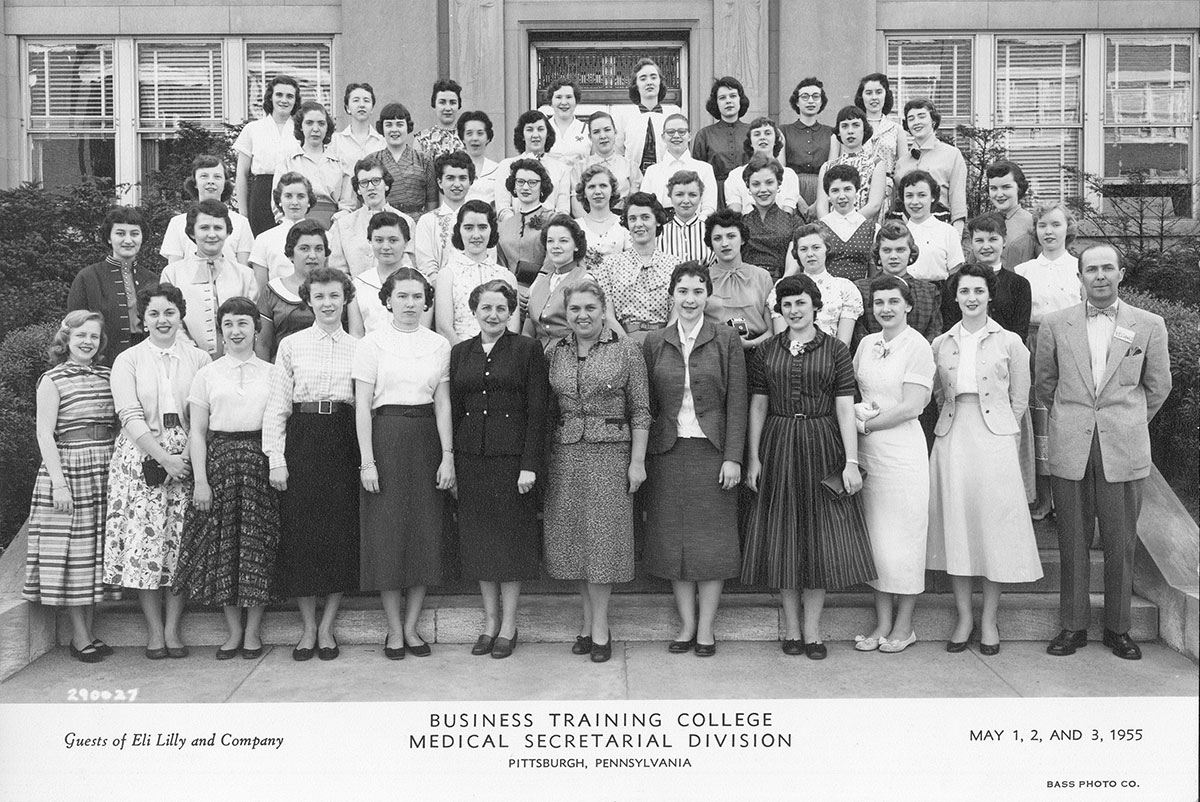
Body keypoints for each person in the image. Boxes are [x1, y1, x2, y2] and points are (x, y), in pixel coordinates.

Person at [1037, 245, 1171, 661]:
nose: (1099, 275)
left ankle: (1118, 628)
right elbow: (1045, 383)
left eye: (1107, 268)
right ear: (1079, 277)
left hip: (1123, 443)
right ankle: (1073, 626)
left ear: (1121, 273)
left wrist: (1127, 421)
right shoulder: (1055, 325)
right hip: (1072, 441)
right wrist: (1075, 418)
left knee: (1120, 540)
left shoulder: (1148, 325)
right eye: (1090, 269)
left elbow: (1158, 386)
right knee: (1072, 539)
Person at [743, 274, 874, 660]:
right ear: (779, 310)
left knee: (818, 537)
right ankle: (793, 629)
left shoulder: (835, 349)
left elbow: (845, 406)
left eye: (801, 303)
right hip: (780, 441)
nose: (794, 310)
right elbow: (758, 406)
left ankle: (814, 632)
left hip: (822, 442)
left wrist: (851, 461)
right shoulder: (768, 350)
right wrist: (754, 457)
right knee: (785, 536)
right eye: (787, 305)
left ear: (816, 306)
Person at [926, 263, 1042, 655]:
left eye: (978, 291)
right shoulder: (940, 343)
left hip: (995, 439)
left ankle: (990, 619)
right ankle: (964, 617)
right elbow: (940, 396)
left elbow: (1021, 399)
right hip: (953, 436)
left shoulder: (1010, 342)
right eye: (964, 292)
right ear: (955, 297)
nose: (971, 298)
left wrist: (1006, 434)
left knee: (993, 527)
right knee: (957, 524)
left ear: (990, 295)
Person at [642, 263, 747, 657]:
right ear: (672, 294)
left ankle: (706, 627)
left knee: (712, 542)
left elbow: (736, 401)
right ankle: (686, 624)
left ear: (708, 295)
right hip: (668, 452)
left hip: (712, 451)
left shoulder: (726, 339)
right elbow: (647, 404)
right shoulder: (655, 341)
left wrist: (733, 456)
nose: (690, 299)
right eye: (683, 291)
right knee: (673, 542)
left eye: (697, 291)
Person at [544, 280, 650, 663]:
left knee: (603, 543)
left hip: (611, 455)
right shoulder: (556, 352)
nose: (582, 315)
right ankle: (587, 624)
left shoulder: (626, 351)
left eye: (590, 308)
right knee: (575, 542)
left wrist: (637, 461)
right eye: (574, 309)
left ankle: (601, 627)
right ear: (565, 314)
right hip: (566, 453)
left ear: (604, 311)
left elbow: (640, 410)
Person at [104, 283, 211, 659]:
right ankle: (153, 631)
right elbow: (129, 415)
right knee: (146, 546)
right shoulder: (128, 360)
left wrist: (183, 461)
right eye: (154, 314)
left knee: (179, 543)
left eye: (169, 312)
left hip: (187, 456)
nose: (162, 320)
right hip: (140, 455)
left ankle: (173, 628)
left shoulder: (199, 359)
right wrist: (162, 458)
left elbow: (203, 414)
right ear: (142, 319)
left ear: (180, 315)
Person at [353, 268, 454, 660]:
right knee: (387, 535)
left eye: (417, 296)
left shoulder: (438, 344)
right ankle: (393, 631)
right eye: (402, 296)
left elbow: (443, 402)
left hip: (427, 438)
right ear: (388, 300)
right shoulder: (371, 344)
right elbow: (362, 405)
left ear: (426, 300)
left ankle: (412, 628)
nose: (410, 304)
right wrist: (367, 461)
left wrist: (448, 456)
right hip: (386, 438)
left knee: (424, 533)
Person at [263, 266, 360, 661]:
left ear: (345, 298)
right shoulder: (291, 346)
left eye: (334, 296)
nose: (327, 303)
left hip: (343, 437)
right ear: (308, 300)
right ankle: (306, 627)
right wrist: (276, 458)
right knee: (301, 533)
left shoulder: (361, 347)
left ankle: (327, 627)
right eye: (319, 296)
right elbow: (277, 406)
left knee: (339, 532)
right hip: (303, 438)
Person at [173, 297, 279, 660]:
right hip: (219, 464)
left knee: (256, 549)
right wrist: (200, 481)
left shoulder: (272, 372)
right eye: (229, 324)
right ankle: (233, 632)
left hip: (259, 464)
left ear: (256, 328)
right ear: (220, 330)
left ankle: (253, 633)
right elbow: (197, 433)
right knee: (225, 551)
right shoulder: (207, 375)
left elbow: (279, 425)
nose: (236, 331)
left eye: (243, 324)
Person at [449, 280, 549, 659]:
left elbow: (537, 410)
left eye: (501, 308)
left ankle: (509, 625)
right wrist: (455, 464)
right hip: (472, 458)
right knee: (479, 542)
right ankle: (489, 623)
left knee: (510, 542)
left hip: (512, 462)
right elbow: (457, 409)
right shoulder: (460, 352)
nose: (493, 315)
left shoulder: (527, 349)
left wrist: (529, 465)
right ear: (474, 310)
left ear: (511, 313)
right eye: (486, 308)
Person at [22, 311, 116, 662]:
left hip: (105, 466)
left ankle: (88, 632)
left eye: (94, 336)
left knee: (95, 556)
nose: (88, 342)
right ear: (67, 339)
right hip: (70, 469)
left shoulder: (107, 375)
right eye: (81, 336)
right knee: (75, 555)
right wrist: (59, 484)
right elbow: (45, 433)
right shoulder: (53, 379)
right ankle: (79, 636)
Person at [851, 275, 936, 653]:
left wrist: (866, 423)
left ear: (908, 305)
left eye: (892, 302)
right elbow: (856, 390)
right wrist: (859, 417)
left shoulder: (918, 345)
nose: (885, 308)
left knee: (904, 541)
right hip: (870, 453)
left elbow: (912, 406)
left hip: (902, 453)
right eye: (879, 302)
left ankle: (905, 626)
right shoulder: (867, 344)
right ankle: (882, 622)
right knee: (878, 542)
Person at [1016, 203, 1082, 520]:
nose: (1049, 231)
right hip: (1033, 344)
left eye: (1056, 224)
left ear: (1068, 228)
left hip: (1070, 346)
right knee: (1038, 419)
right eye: (1042, 225)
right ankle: (1043, 497)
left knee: (1066, 419)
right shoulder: (1024, 272)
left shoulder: (1080, 268)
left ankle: (1067, 497)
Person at [161, 200, 258, 358]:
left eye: (218, 228)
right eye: (204, 228)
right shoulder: (172, 273)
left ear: (227, 232)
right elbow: (171, 319)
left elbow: (251, 319)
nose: (212, 234)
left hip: (236, 358)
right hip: (187, 358)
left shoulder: (245, 275)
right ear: (192, 232)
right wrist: (193, 354)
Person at [68, 207, 158, 364]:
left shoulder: (152, 279)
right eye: (120, 233)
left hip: (147, 360)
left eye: (134, 234)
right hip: (103, 360)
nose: (128, 240)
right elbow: (74, 328)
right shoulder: (88, 277)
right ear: (109, 238)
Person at [593, 192, 679, 342]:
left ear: (657, 221)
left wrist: (663, 344)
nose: (638, 224)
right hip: (620, 343)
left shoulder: (674, 265)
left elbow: (677, 313)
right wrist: (629, 346)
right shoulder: (610, 265)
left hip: (665, 343)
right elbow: (608, 315)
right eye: (632, 219)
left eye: (645, 217)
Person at [524, 214, 619, 348]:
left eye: (563, 241)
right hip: (538, 357)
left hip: (572, 355)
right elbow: (528, 331)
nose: (555, 246)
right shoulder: (538, 283)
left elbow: (593, 327)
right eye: (550, 241)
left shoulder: (585, 280)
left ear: (576, 246)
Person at [435, 200, 520, 345]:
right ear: (459, 230)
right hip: (461, 356)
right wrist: (469, 358)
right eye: (468, 228)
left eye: (482, 227)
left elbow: (513, 329)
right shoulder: (447, 275)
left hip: (502, 358)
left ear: (491, 229)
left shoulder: (507, 276)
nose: (476, 235)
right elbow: (444, 328)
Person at [944, 212, 1031, 341]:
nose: (986, 246)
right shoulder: (955, 282)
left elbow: (1020, 332)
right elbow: (949, 326)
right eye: (979, 240)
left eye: (993, 239)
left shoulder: (1019, 284)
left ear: (1004, 240)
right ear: (971, 243)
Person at [854, 221, 942, 347]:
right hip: (873, 358)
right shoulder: (861, 289)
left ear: (910, 253)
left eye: (900, 250)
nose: (893, 256)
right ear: (878, 253)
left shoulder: (928, 291)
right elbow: (859, 334)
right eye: (887, 250)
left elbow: (934, 334)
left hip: (916, 360)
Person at [234, 74, 301, 235]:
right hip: (262, 193)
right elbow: (241, 174)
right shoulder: (253, 129)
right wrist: (243, 213)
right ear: (270, 98)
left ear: (295, 100)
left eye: (289, 96)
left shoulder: (301, 130)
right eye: (279, 95)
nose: (284, 100)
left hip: (294, 192)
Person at [327, 156, 416, 276]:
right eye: (364, 183)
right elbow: (338, 271)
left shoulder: (406, 221)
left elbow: (409, 266)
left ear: (386, 185)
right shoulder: (343, 225)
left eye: (376, 181)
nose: (370, 187)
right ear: (358, 189)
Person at [160, 156, 254, 266]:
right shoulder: (177, 223)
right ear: (195, 182)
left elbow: (244, 271)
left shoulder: (241, 223)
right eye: (204, 176)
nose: (211, 181)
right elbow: (174, 271)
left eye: (217, 177)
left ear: (225, 183)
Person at [273, 100, 354, 228]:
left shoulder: (340, 161)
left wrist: (340, 219)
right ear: (300, 126)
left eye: (321, 124)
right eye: (309, 123)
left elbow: (348, 203)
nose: (315, 129)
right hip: (296, 221)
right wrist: (289, 225)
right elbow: (277, 200)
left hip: (333, 223)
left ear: (327, 127)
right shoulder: (287, 160)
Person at [778, 224, 862, 347]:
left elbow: (844, 342)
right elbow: (781, 339)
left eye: (816, 248)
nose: (810, 254)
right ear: (797, 254)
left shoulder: (845, 288)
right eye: (803, 249)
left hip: (832, 359)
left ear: (827, 250)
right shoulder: (783, 288)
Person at [703, 208, 775, 352]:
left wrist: (752, 344)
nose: (724, 244)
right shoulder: (703, 279)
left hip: (757, 349)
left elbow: (771, 330)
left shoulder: (762, 276)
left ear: (742, 239)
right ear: (710, 243)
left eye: (731, 236)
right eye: (717, 238)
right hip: (714, 350)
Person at [256, 220, 328, 360]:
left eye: (319, 249)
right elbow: (263, 344)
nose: (312, 255)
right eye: (304, 248)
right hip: (284, 371)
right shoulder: (273, 290)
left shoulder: (339, 289)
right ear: (290, 254)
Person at [894, 98, 968, 233]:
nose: (916, 122)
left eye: (921, 116)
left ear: (933, 120)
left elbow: (958, 202)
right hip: (907, 232)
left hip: (941, 228)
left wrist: (956, 237)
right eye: (911, 119)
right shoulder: (902, 162)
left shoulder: (952, 154)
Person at [348, 211, 427, 335]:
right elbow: (356, 333)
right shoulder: (359, 284)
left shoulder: (420, 282)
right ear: (370, 242)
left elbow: (423, 332)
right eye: (379, 240)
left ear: (406, 243)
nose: (385, 247)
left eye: (393, 240)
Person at [497, 158, 555, 305]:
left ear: (542, 187)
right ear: (514, 186)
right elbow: (501, 266)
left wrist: (534, 290)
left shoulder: (553, 220)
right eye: (520, 182)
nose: (525, 187)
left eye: (532, 183)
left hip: (547, 292)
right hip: (510, 295)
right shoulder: (503, 226)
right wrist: (512, 292)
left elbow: (553, 259)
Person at [637, 113, 718, 219]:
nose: (676, 136)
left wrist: (696, 225)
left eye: (681, 132)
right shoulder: (652, 171)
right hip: (661, 229)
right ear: (663, 137)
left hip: (696, 227)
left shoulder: (705, 169)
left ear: (689, 136)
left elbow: (709, 207)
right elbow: (644, 207)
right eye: (670, 132)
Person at [413, 151, 478, 280]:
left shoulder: (480, 218)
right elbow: (426, 265)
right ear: (439, 182)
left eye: (463, 178)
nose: (457, 184)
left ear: (470, 181)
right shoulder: (428, 221)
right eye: (450, 178)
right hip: (438, 289)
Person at [494, 110, 573, 215]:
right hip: (515, 228)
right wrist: (520, 226)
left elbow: (563, 210)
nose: (535, 135)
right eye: (529, 130)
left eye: (540, 129)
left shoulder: (561, 168)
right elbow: (503, 209)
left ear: (547, 134)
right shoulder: (506, 166)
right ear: (522, 135)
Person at [817, 106, 887, 223]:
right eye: (844, 126)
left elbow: (874, 205)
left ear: (864, 129)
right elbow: (821, 207)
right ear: (838, 132)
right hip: (833, 229)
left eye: (855, 125)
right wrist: (832, 226)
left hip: (864, 229)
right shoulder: (827, 167)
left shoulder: (876, 164)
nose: (850, 131)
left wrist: (848, 223)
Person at [369, 102, 437, 219]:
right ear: (382, 128)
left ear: (407, 127)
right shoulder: (372, 161)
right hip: (382, 221)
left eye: (399, 124)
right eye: (389, 125)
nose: (394, 130)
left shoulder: (424, 159)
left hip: (417, 221)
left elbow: (432, 200)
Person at [831, 73, 903, 185]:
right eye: (868, 93)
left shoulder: (896, 129)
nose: (874, 97)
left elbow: (903, 167)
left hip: (886, 186)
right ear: (862, 96)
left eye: (878, 92)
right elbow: (833, 166)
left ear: (886, 95)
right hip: (852, 185)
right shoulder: (848, 127)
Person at [248, 172, 316, 289]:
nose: (295, 202)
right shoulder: (264, 239)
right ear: (279, 200)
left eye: (300, 196)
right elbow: (262, 290)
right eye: (288, 196)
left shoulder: (324, 236)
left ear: (309, 201)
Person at [691, 77, 751, 208]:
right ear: (716, 103)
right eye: (722, 98)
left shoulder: (753, 132)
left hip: (748, 193)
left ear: (740, 100)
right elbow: (698, 174)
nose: (728, 101)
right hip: (716, 195)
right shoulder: (704, 135)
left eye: (733, 96)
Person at [616, 58, 682, 176]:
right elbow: (618, 153)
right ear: (636, 85)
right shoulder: (624, 116)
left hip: (667, 177)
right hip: (634, 179)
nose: (649, 82)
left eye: (653, 77)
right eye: (643, 78)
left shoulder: (673, 114)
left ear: (660, 82)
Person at [723, 117, 802, 215]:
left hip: (782, 226)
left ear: (776, 140)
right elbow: (734, 213)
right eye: (757, 134)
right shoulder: (735, 175)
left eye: (768, 133)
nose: (762, 137)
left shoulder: (789, 175)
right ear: (750, 142)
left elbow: (788, 212)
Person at [897, 170, 964, 282]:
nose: (915, 202)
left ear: (932, 197)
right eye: (909, 196)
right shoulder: (898, 233)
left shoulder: (947, 231)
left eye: (921, 195)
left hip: (938, 294)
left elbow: (955, 275)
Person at [739, 153, 798, 280]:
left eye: (769, 183)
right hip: (746, 281)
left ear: (778, 184)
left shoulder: (793, 222)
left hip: (782, 281)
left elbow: (794, 262)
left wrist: (782, 283)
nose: (763, 190)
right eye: (756, 184)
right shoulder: (740, 222)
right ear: (748, 186)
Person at [780, 77, 835, 212]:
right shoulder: (783, 131)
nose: (810, 101)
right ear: (797, 102)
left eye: (816, 96)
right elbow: (781, 170)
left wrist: (819, 203)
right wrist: (798, 200)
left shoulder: (831, 133)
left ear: (821, 102)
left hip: (823, 192)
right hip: (792, 191)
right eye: (805, 97)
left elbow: (832, 171)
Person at [817, 163, 878, 282]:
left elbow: (873, 273)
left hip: (861, 292)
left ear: (856, 191)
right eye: (835, 191)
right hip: (827, 293)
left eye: (847, 189)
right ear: (828, 195)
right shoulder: (819, 228)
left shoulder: (871, 228)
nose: (842, 196)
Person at [574, 111, 639, 210]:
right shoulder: (580, 167)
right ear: (590, 137)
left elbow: (636, 204)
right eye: (596, 132)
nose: (603, 136)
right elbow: (576, 205)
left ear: (615, 132)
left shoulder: (630, 166)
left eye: (607, 130)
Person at [574, 163, 631, 268]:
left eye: (603, 186)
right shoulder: (576, 227)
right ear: (584, 193)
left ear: (612, 190)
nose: (598, 192)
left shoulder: (624, 225)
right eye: (591, 187)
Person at [328, 82, 385, 179]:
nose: (362, 105)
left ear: (372, 109)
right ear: (347, 108)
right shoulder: (336, 141)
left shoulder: (382, 142)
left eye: (366, 101)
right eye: (356, 100)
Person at [987, 160, 1036, 269]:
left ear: (1019, 187)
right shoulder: (984, 222)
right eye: (993, 188)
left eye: (1006, 187)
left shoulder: (1033, 224)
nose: (999, 194)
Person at [658, 170, 712, 264]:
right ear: (670, 197)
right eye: (679, 195)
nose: (686, 200)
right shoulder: (659, 234)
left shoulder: (711, 232)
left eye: (692, 195)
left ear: (700, 197)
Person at [540, 79, 590, 172]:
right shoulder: (542, 130)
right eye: (558, 97)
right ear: (551, 101)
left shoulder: (587, 130)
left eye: (568, 97)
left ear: (576, 100)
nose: (564, 102)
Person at [413, 78, 466, 160]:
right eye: (442, 102)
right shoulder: (421, 140)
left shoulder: (468, 138)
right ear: (434, 105)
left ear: (458, 106)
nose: (448, 108)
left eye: (452, 102)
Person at [459, 110, 501, 207]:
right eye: (469, 133)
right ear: (462, 138)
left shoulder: (498, 169)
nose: (475, 138)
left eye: (480, 133)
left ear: (488, 138)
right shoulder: (453, 168)